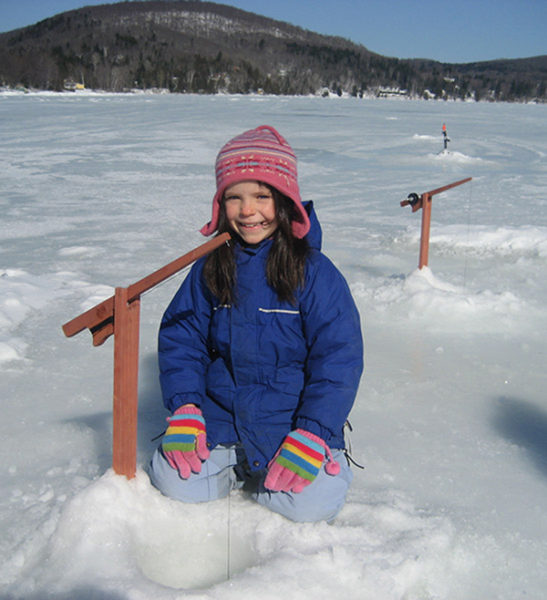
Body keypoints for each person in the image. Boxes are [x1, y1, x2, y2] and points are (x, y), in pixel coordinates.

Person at [149, 125, 364, 523]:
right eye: (234, 198)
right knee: (173, 481)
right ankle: (239, 465)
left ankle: (296, 461)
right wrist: (186, 407)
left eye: (262, 197)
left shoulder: (314, 272)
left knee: (310, 506)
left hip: (291, 420)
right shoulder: (211, 264)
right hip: (221, 416)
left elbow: (338, 358)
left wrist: (313, 431)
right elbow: (182, 337)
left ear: (285, 202)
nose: (248, 211)